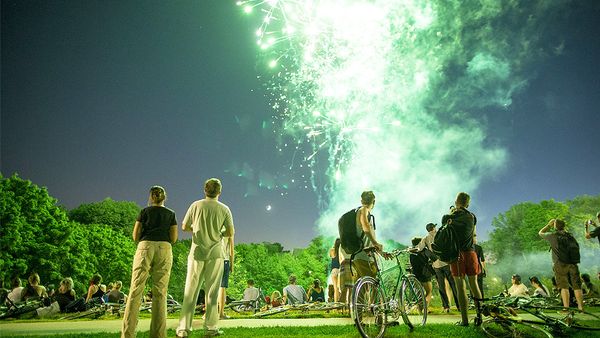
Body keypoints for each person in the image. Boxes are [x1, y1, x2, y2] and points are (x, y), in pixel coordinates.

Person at [176, 178, 235, 338]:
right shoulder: (224, 209)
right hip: (216, 254)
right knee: (212, 292)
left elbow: (184, 226)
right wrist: (219, 234)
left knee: (190, 291)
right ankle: (211, 328)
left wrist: (196, 228)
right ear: (219, 192)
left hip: (197, 253)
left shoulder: (195, 205)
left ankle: (183, 329)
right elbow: (230, 232)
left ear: (204, 190)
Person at [121, 185, 178, 338]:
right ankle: (158, 335)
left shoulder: (144, 212)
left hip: (145, 247)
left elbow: (135, 235)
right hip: (164, 248)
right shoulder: (171, 214)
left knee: (136, 290)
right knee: (160, 292)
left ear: (151, 197)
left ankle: (128, 334)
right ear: (164, 197)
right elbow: (174, 238)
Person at [445, 192, 482, 326]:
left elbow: (446, 232)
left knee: (460, 287)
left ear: (456, 202)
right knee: (474, 285)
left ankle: (465, 321)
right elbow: (474, 235)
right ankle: (479, 317)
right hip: (471, 253)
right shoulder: (472, 216)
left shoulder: (451, 216)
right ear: (467, 203)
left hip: (457, 255)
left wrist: (451, 213)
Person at [338, 191, 382, 303]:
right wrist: (375, 243)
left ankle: (359, 314)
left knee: (361, 286)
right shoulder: (363, 210)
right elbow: (365, 227)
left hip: (358, 255)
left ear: (361, 200)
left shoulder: (359, 212)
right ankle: (376, 313)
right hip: (364, 255)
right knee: (374, 283)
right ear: (374, 202)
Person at [539, 218, 584, 311]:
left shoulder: (552, 235)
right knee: (577, 286)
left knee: (564, 286)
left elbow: (540, 233)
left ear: (555, 226)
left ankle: (566, 308)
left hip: (559, 264)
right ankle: (580, 307)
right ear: (563, 226)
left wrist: (548, 225)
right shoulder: (570, 236)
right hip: (573, 263)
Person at [417, 223, 460, 313]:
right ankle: (459, 305)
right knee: (453, 285)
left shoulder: (425, 238)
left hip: (436, 265)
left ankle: (446, 307)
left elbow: (420, 248)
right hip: (446, 262)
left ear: (428, 230)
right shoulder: (440, 234)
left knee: (441, 287)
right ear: (434, 228)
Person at [410, 237, 436, 309]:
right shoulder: (425, 250)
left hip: (415, 274)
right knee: (429, 292)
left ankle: (420, 309)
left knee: (419, 293)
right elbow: (434, 258)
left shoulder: (412, 252)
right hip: (425, 273)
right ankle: (425, 307)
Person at [218, 235, 234, 320]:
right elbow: (231, 250)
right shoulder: (229, 229)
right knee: (222, 287)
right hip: (225, 260)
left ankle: (207, 313)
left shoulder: (215, 226)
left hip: (213, 259)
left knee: (211, 287)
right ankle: (221, 313)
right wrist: (232, 264)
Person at [473, 234, 486, 299]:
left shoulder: (466, 248)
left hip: (470, 269)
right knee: (480, 286)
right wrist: (484, 270)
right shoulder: (479, 247)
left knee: (472, 285)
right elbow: (482, 260)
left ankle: (474, 300)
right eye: (475, 238)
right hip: (478, 269)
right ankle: (481, 299)